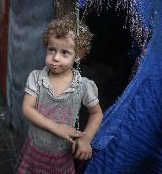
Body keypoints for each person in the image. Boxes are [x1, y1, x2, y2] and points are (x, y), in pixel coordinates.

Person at [16, 17, 103, 174]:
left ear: (78, 55)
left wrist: (86, 138)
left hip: (62, 156)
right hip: (35, 149)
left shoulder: (83, 86)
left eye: (64, 52)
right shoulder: (36, 78)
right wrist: (58, 128)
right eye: (51, 50)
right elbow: (27, 109)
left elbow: (96, 113)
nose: (55, 57)